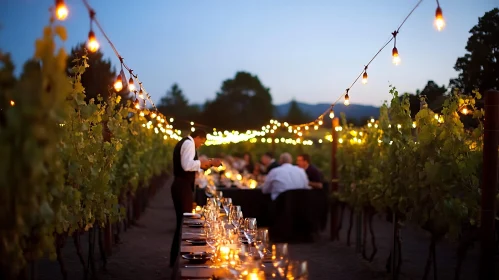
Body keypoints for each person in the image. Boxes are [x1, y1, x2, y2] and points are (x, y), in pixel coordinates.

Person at [169, 129, 221, 267]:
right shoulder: (189, 144)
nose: (200, 145)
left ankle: (175, 259)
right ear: (197, 137)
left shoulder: (186, 143)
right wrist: (202, 162)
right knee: (183, 223)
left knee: (182, 222)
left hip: (182, 185)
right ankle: (176, 261)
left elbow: (189, 165)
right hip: (181, 186)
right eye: (201, 142)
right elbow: (186, 165)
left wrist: (204, 164)